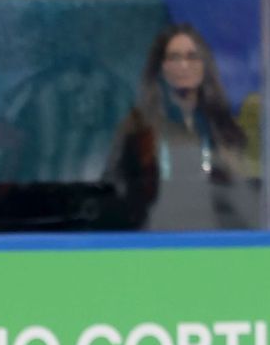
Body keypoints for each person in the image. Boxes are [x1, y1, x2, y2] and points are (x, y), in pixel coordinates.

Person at [104, 23, 249, 232]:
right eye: (174, 58)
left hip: (216, 239)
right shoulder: (138, 125)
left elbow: (243, 191)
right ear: (162, 67)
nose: (184, 66)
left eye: (192, 57)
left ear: (204, 64)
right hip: (157, 238)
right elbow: (115, 188)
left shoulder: (222, 124)